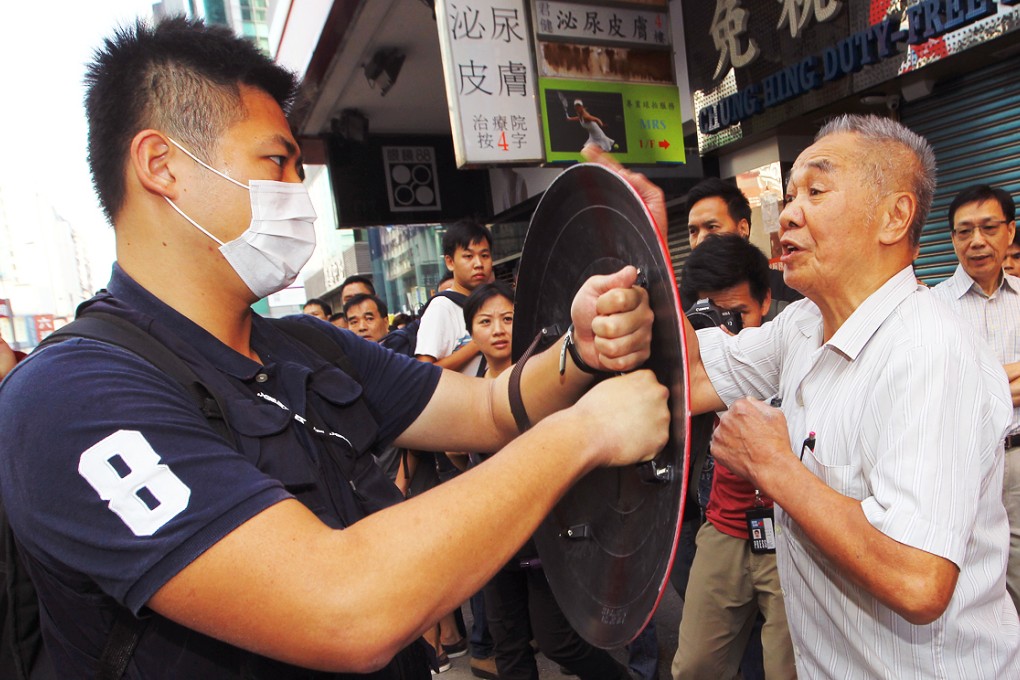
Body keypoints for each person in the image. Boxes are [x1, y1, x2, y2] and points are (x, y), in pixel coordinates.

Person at [0, 17, 669, 678]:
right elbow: (344, 608)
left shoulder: (304, 346)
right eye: (275, 162)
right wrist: (583, 434)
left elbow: (492, 410)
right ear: (161, 164)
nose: (296, 194)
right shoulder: (73, 400)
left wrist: (579, 351)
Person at [667, 114, 1020, 677]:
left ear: (893, 217)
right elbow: (695, 372)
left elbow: (917, 577)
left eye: (816, 190)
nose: (786, 213)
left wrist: (773, 466)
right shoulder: (804, 325)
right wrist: (641, 264)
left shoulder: (929, 350)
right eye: (789, 195)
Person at [457, 281, 630, 680]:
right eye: (486, 321)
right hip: (491, 538)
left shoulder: (545, 376)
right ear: (471, 332)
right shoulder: (466, 389)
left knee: (559, 642)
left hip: (546, 533)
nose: (498, 329)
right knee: (509, 646)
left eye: (507, 318)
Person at [670, 235, 794, 680]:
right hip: (723, 525)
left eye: (738, 315)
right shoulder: (700, 357)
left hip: (792, 533)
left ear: (766, 300)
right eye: (714, 316)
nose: (728, 332)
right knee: (695, 667)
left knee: (786, 669)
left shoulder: (794, 343)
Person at [414, 218, 498, 676]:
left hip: (493, 435)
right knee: (482, 548)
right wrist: (475, 344)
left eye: (484, 254)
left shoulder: (492, 300)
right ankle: (484, 645)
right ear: (450, 262)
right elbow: (425, 372)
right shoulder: (442, 311)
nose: (479, 263)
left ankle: (503, 636)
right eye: (469, 256)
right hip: (458, 445)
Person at [930, 184, 1020, 613]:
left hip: (1017, 460)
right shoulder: (930, 308)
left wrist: (979, 382)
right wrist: (1000, 384)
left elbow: (968, 382)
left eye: (988, 228)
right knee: (968, 583)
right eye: (964, 231)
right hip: (959, 460)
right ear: (951, 239)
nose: (976, 241)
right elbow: (941, 385)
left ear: (1010, 232)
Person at [685, 178, 801, 319]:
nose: (700, 239)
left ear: (743, 228)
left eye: (712, 227)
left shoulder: (792, 294)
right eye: (693, 231)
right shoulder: (681, 306)